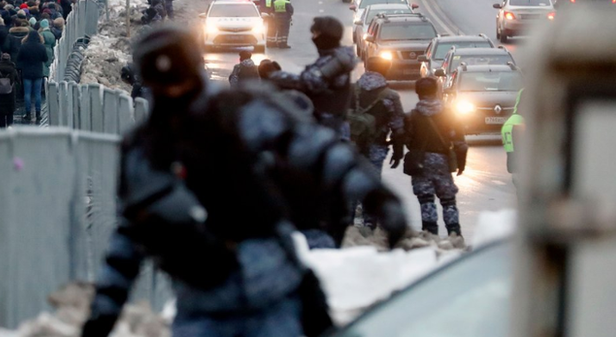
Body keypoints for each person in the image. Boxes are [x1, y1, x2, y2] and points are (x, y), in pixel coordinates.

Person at [81, 26, 406, 337]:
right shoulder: (145, 150)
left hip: (272, 291)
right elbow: (130, 236)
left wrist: (376, 195)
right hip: (204, 302)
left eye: (180, 80)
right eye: (166, 84)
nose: (176, 94)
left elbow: (314, 150)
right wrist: (104, 312)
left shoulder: (237, 112)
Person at [393, 77, 468, 238]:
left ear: (418, 93)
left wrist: (398, 153)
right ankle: (455, 235)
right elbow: (461, 144)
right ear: (436, 91)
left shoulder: (411, 116)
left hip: (420, 163)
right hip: (443, 161)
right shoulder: (449, 114)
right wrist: (461, 164)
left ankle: (430, 236)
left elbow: (402, 137)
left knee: (426, 201)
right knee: (448, 201)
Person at [269, 17, 356, 135]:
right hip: (322, 124)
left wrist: (276, 75)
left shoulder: (338, 61)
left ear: (326, 37)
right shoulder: (330, 58)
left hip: (330, 129)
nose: (313, 38)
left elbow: (310, 81)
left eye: (316, 34)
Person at [351, 56, 405, 230]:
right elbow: (398, 126)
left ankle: (348, 221)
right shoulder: (390, 96)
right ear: (387, 70)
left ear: (367, 67)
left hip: (351, 145)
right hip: (376, 146)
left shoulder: (352, 90)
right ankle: (369, 223)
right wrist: (398, 151)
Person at [17, 30, 48, 123]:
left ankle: (28, 113)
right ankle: (38, 114)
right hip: (38, 72)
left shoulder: (24, 47)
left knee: (27, 94)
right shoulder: (41, 47)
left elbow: (19, 58)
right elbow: (45, 59)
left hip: (26, 72)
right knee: (37, 93)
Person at [500, 88, 524, 188]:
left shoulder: (523, 90)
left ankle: (517, 179)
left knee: (513, 155)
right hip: (519, 125)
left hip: (509, 125)